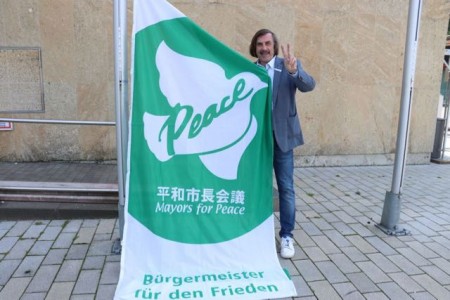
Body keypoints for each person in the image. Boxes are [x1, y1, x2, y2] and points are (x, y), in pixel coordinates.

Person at [249, 29, 316, 258]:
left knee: (286, 189)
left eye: (268, 43)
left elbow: (309, 85)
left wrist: (295, 71)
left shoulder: (287, 65)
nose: (264, 48)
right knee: (257, 188)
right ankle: (255, 233)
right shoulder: (250, 70)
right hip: (257, 142)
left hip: (283, 140)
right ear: (255, 47)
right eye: (260, 44)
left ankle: (287, 236)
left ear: (274, 45)